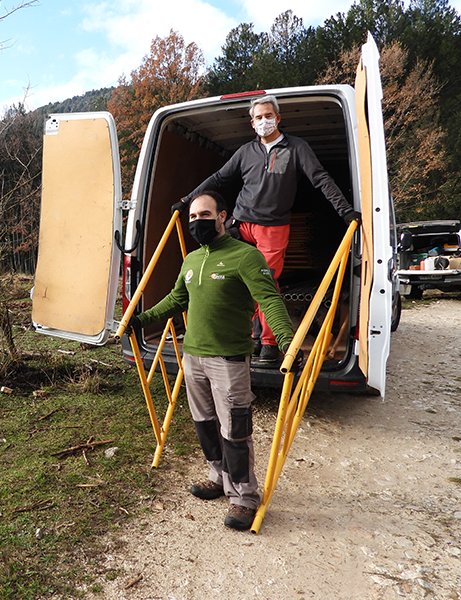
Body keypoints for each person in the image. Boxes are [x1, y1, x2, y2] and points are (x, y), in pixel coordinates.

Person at [127, 191, 295, 531]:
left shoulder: (246, 257)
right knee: (204, 423)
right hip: (194, 356)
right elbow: (176, 299)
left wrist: (288, 342)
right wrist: (140, 320)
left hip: (229, 360)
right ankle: (218, 478)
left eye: (203, 214)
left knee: (235, 429)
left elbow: (270, 301)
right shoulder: (191, 260)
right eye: (191, 217)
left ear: (223, 217)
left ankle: (245, 497)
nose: (196, 222)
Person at [174, 95, 360, 365]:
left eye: (268, 116)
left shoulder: (296, 148)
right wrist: (185, 200)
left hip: (273, 228)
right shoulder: (245, 152)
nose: (264, 121)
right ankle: (245, 335)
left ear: (278, 118)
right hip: (240, 223)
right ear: (252, 123)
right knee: (229, 277)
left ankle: (269, 344)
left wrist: (344, 211)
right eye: (259, 117)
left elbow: (320, 179)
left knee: (263, 285)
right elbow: (218, 178)